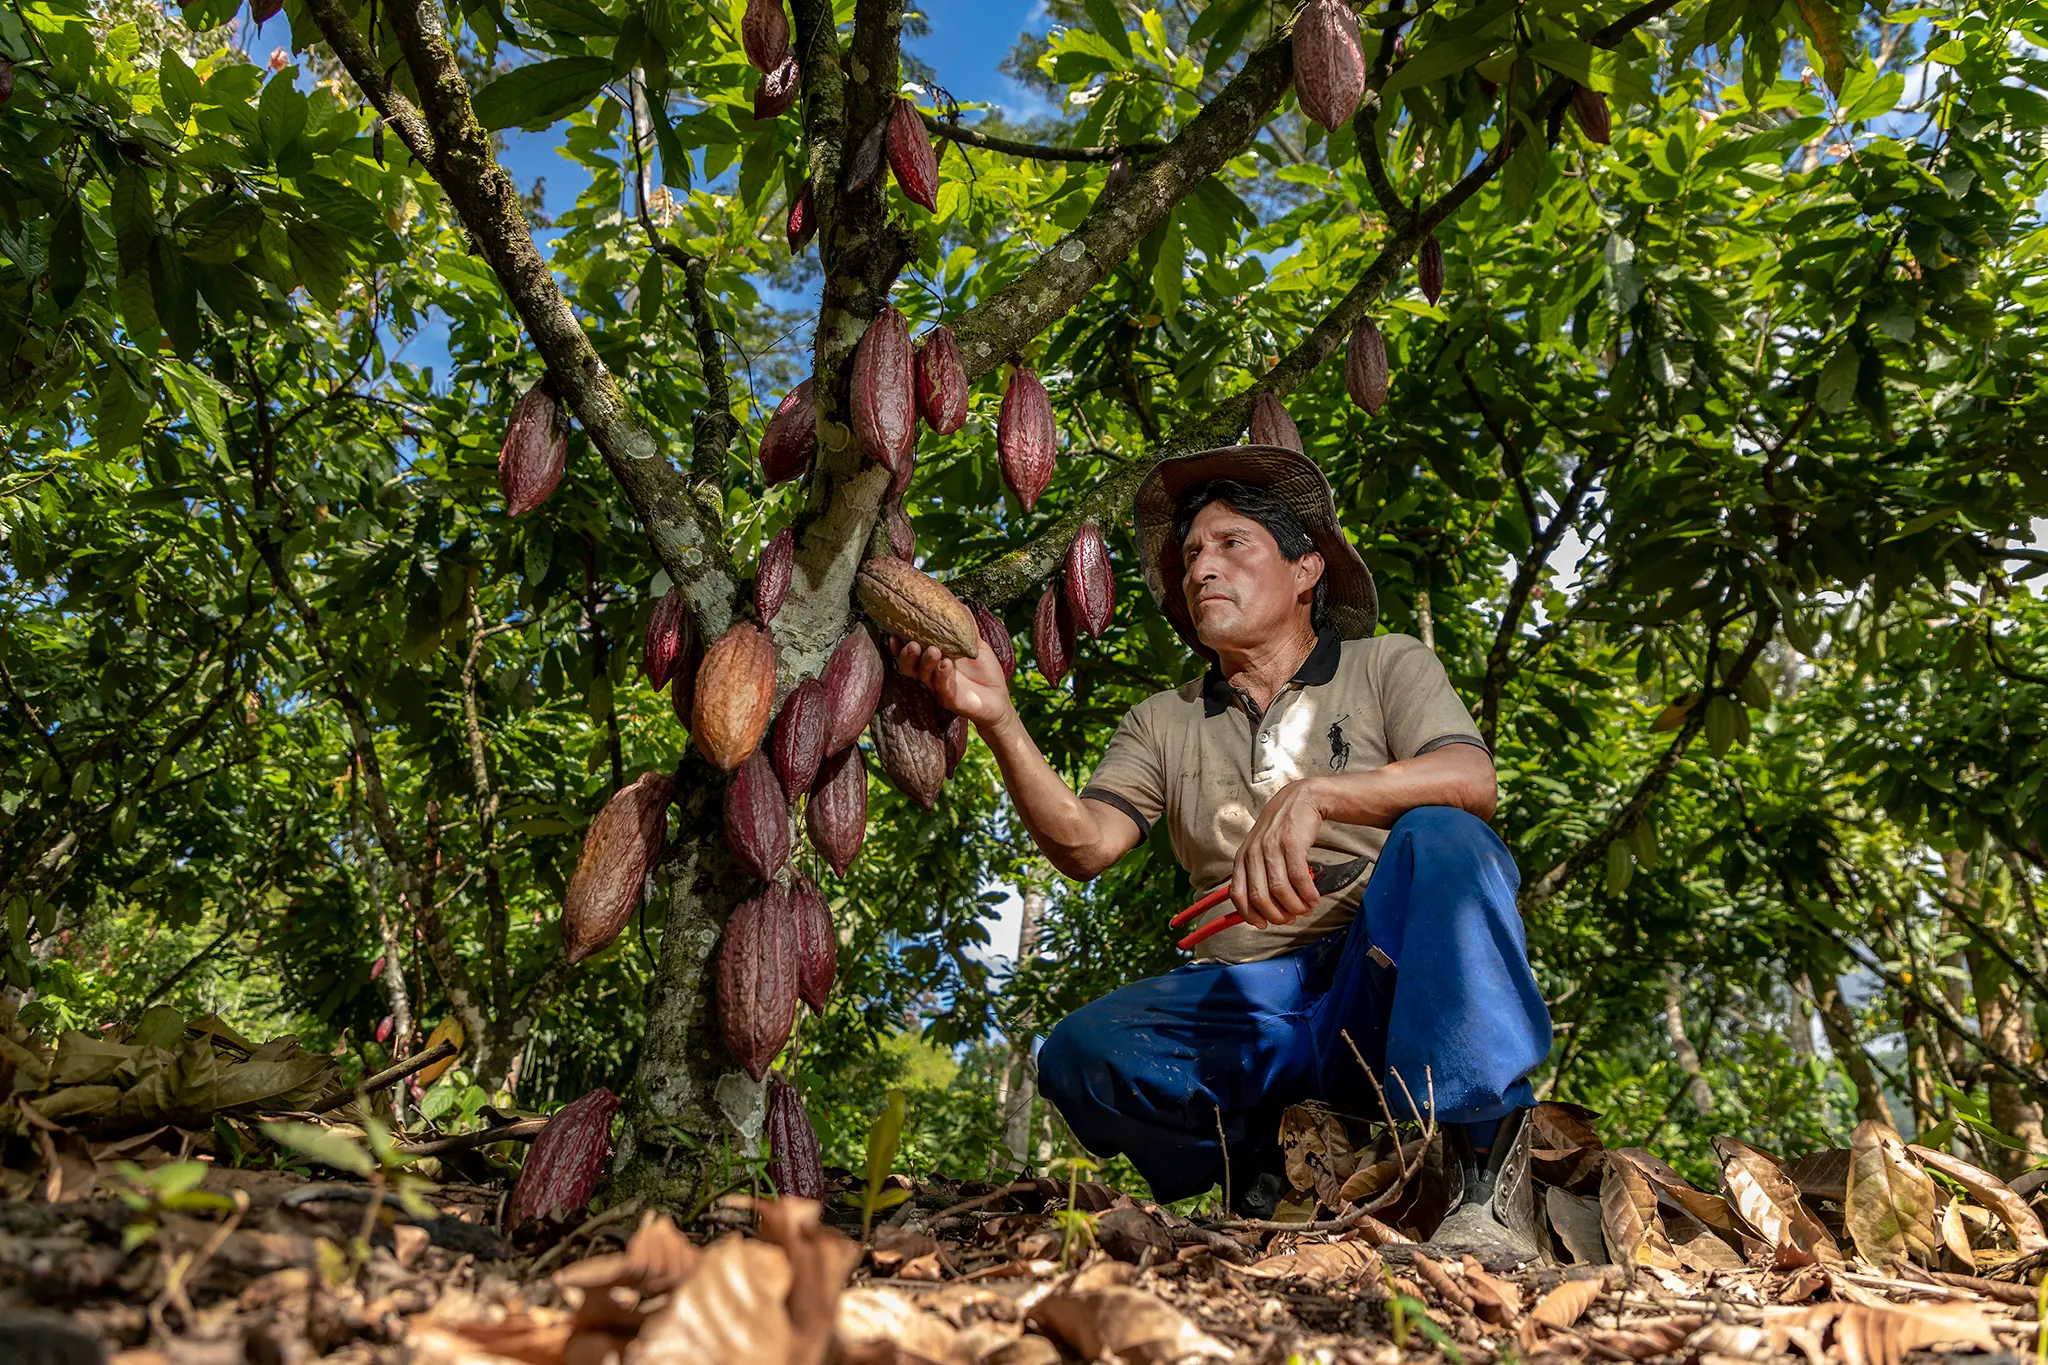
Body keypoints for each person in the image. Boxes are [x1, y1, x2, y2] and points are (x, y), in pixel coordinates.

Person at [894, 444, 1552, 1256]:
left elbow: (1470, 778)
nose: (1202, 566)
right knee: (1081, 1055)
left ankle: (1485, 1172)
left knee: (1445, 836)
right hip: (1253, 1008)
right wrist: (996, 716)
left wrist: (1316, 793)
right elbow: (1086, 843)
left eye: (1232, 544)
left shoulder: (1387, 664)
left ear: (1306, 567)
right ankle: (1265, 1162)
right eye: (1192, 554)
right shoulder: (1161, 721)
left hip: (1377, 983)